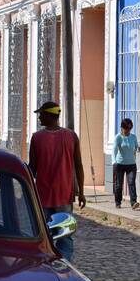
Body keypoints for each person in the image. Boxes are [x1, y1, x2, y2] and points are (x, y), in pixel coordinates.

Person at [28, 101, 85, 259]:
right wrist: (81, 192)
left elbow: (32, 168)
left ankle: (47, 262)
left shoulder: (37, 138)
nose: (39, 117)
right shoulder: (71, 136)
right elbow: (79, 166)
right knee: (65, 234)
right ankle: (66, 265)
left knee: (44, 233)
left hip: (43, 194)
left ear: (48, 115)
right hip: (65, 194)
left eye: (41, 114)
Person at [112, 118, 140, 209]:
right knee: (119, 184)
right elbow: (114, 151)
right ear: (122, 128)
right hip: (119, 164)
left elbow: (136, 146)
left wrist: (138, 148)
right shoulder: (118, 137)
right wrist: (114, 162)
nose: (128, 131)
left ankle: (133, 202)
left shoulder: (133, 137)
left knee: (131, 182)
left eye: (130, 129)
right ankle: (118, 202)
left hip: (131, 164)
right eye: (126, 129)